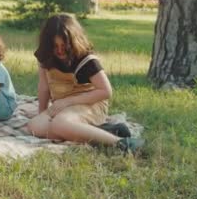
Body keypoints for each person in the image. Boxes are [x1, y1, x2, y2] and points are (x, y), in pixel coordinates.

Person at [26, 14, 143, 153]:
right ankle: (100, 132)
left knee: (59, 124)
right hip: (63, 108)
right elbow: (44, 86)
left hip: (90, 104)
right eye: (55, 46)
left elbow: (106, 91)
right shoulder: (45, 56)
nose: (59, 50)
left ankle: (121, 143)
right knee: (34, 126)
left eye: (64, 46)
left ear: (74, 42)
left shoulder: (86, 59)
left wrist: (67, 102)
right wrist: (43, 113)